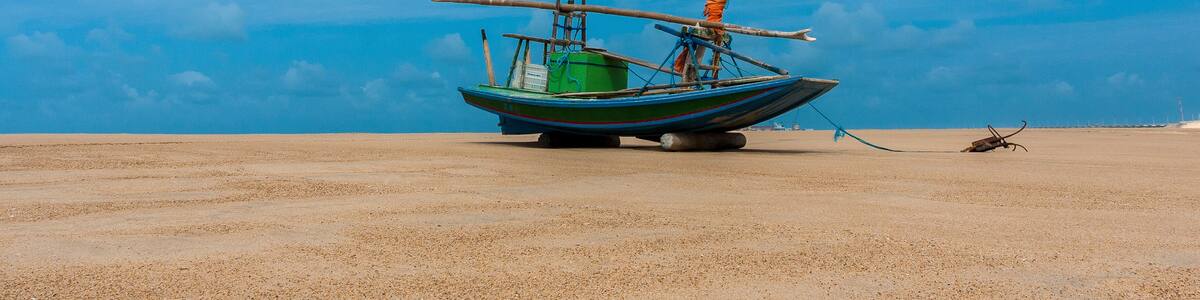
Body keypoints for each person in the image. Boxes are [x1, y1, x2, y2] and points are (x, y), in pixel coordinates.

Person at [672, 0, 727, 82]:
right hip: (711, 23)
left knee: (701, 42)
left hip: (713, 23)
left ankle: (688, 79)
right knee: (699, 43)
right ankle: (688, 80)